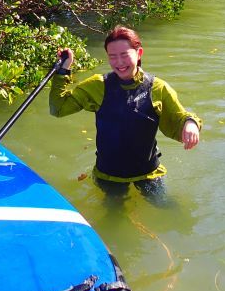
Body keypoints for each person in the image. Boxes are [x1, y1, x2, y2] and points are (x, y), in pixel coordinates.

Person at [49, 25, 201, 202]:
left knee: (167, 208)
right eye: (112, 56)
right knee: (112, 218)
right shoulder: (97, 85)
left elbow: (180, 116)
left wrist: (191, 124)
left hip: (149, 173)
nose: (119, 62)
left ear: (139, 53)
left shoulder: (157, 87)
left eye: (124, 55)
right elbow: (58, 109)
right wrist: (63, 70)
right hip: (109, 175)